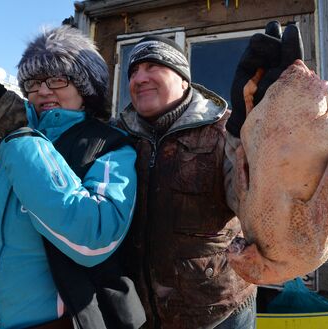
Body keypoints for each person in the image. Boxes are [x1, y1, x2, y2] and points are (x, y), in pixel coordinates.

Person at [0, 26, 144, 329]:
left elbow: (94, 238)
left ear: (85, 89)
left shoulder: (107, 147)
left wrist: (19, 133)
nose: (43, 91)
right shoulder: (6, 146)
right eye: (33, 82)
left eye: (58, 79)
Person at [114, 22, 303, 329]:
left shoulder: (225, 130)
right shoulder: (119, 136)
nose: (139, 78)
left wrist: (266, 128)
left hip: (218, 312)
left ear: (184, 78)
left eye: (152, 66)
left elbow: (258, 202)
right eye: (133, 71)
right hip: (141, 314)